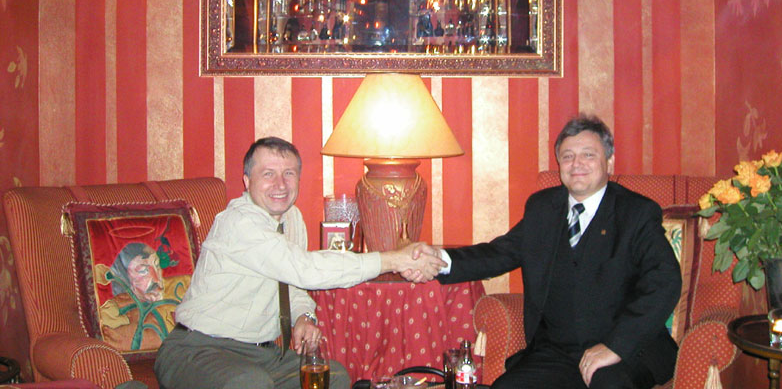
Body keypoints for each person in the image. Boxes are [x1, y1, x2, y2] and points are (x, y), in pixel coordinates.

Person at [155, 136, 445, 389]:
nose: (280, 184)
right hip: (197, 350)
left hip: (261, 356)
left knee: (334, 377)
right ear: (247, 181)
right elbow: (304, 269)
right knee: (250, 383)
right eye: (268, 174)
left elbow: (292, 285)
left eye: (289, 174)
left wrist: (304, 317)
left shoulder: (291, 218)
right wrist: (393, 259)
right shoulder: (239, 222)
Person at [427, 114, 681, 389]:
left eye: (588, 155)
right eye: (568, 156)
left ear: (609, 162)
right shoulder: (542, 208)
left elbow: (665, 281)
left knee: (607, 385)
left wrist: (615, 346)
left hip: (625, 351)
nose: (577, 164)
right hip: (558, 353)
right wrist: (436, 260)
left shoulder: (636, 212)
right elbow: (499, 253)